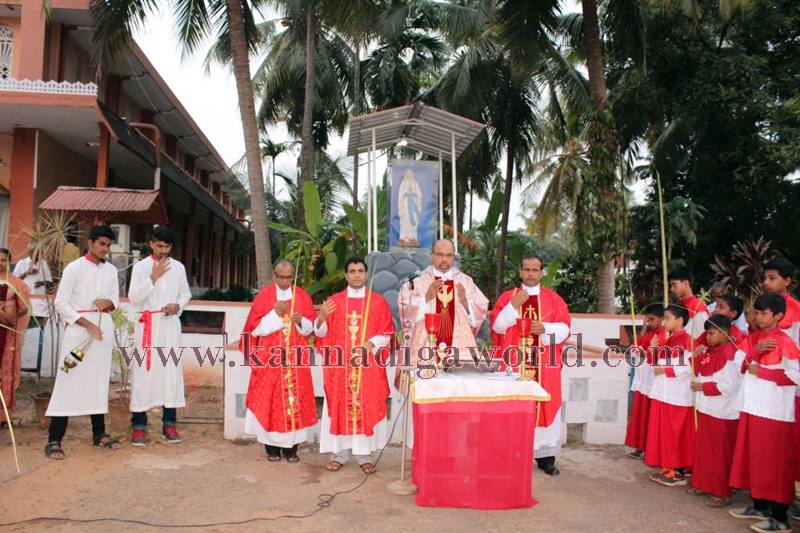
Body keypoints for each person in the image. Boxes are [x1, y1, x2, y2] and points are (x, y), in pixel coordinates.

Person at [44, 225, 121, 459]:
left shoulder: (111, 271)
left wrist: (107, 303)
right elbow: (61, 303)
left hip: (102, 331)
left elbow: (115, 301)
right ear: (90, 243)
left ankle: (99, 433)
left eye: (108, 245)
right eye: (101, 244)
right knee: (68, 379)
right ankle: (54, 439)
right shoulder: (74, 268)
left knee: (98, 381)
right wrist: (87, 324)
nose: (105, 249)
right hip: (79, 331)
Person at [490, 256, 571, 475]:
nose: (531, 274)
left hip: (544, 364)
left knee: (544, 404)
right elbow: (497, 327)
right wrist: (512, 307)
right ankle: (512, 454)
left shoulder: (554, 299)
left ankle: (545, 457)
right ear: (520, 272)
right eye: (527, 269)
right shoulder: (508, 297)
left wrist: (544, 328)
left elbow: (565, 328)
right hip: (516, 362)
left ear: (542, 272)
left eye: (535, 270)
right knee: (514, 406)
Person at [315, 257, 395, 474]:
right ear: (346, 275)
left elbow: (388, 331)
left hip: (367, 368)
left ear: (366, 274)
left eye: (360, 271)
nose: (357, 275)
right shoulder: (335, 301)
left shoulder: (377, 302)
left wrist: (372, 343)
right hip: (340, 368)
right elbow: (320, 334)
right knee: (339, 407)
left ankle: (364, 455)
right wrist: (322, 318)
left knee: (365, 407)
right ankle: (338, 454)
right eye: (352, 271)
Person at [729, 293, 799, 533]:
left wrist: (763, 372)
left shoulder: (785, 341)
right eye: (756, 313)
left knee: (774, 464)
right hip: (751, 407)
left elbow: (796, 376)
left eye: (763, 313)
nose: (758, 317)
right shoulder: (753, 338)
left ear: (778, 316)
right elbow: (739, 365)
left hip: (773, 411)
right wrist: (755, 351)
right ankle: (759, 505)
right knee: (755, 460)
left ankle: (779, 517)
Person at [240, 259, 317, 462]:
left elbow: (311, 328)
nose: (284, 282)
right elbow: (255, 329)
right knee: (270, 400)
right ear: (274, 275)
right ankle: (271, 448)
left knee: (295, 400)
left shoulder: (302, 296)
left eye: (288, 277)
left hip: (295, 361)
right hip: (270, 360)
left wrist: (301, 321)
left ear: (293, 276)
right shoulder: (264, 297)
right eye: (281, 277)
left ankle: (292, 449)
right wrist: (275, 314)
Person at [127, 226, 192, 446]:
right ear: (151, 244)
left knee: (170, 372)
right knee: (143, 373)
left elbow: (185, 294)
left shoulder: (178, 268)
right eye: (159, 246)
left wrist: (177, 305)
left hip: (169, 326)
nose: (163, 250)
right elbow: (134, 298)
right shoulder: (141, 267)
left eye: (167, 247)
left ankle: (169, 423)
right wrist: (152, 279)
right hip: (147, 325)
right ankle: (139, 424)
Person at [400, 239, 488, 367]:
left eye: (449, 255)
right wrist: (426, 298)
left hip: (460, 348)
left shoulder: (465, 282)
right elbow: (405, 312)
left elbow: (479, 314)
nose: (444, 259)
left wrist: (465, 303)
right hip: (425, 349)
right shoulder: (417, 282)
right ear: (432, 256)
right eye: (440, 254)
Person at [688, 316, 744, 508]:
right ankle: (704, 484)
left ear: (725, 333)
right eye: (707, 334)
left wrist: (702, 387)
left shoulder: (731, 354)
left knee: (720, 454)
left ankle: (722, 492)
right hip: (708, 408)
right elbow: (701, 371)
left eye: (711, 334)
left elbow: (730, 385)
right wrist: (697, 356)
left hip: (723, 411)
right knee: (705, 450)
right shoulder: (711, 351)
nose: (708, 337)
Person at [644, 304, 695, 487]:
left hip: (677, 394)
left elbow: (688, 368)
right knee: (665, 432)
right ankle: (668, 465)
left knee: (676, 432)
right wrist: (653, 348)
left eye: (668, 318)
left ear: (680, 320)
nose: (664, 322)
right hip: (664, 392)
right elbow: (654, 362)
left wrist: (665, 370)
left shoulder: (687, 341)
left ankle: (678, 470)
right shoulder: (668, 340)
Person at [624, 304, 666, 459]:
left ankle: (649, 448)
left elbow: (654, 355)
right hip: (642, 379)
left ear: (661, 319)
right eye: (647, 319)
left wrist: (644, 351)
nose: (648, 322)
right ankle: (639, 445)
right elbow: (637, 348)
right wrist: (643, 331)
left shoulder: (662, 334)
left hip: (651, 381)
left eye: (652, 319)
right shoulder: (649, 332)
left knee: (649, 416)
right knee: (639, 415)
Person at [0, 247, 27, 424]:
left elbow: (24, 308)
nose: (0, 263)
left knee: (6, 374)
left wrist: (8, 315)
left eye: (3, 260)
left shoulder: (16, 283)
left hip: (7, 333)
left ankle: (3, 417)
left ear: (9, 262)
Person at [763, 258, 800, 346]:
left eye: (772, 278)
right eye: (765, 278)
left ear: (787, 281)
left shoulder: (797, 309)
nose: (765, 282)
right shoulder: (758, 307)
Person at [13, 240, 53, 318]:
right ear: (28, 252)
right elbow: (14, 280)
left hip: (39, 299)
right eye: (32, 252)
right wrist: (26, 273)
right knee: (24, 318)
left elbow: (50, 282)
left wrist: (41, 283)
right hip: (24, 298)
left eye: (37, 252)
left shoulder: (43, 264)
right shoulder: (22, 263)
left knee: (37, 320)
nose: (35, 254)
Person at [668, 269, 709, 340]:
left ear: (686, 283)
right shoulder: (677, 305)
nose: (671, 289)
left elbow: (701, 337)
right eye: (671, 285)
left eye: (674, 284)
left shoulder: (697, 308)